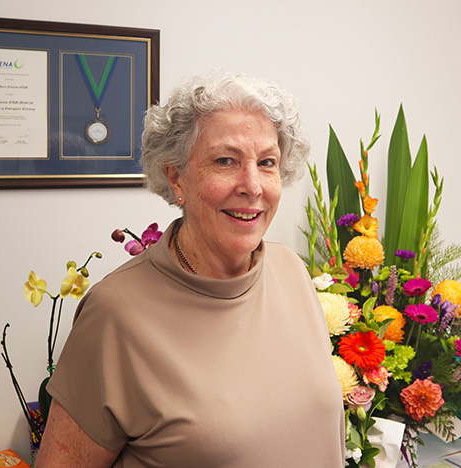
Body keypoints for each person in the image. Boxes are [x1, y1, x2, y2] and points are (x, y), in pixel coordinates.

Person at [36, 72, 345, 468]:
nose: (252, 185)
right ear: (175, 176)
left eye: (267, 162)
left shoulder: (290, 270)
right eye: (226, 161)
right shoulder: (116, 313)